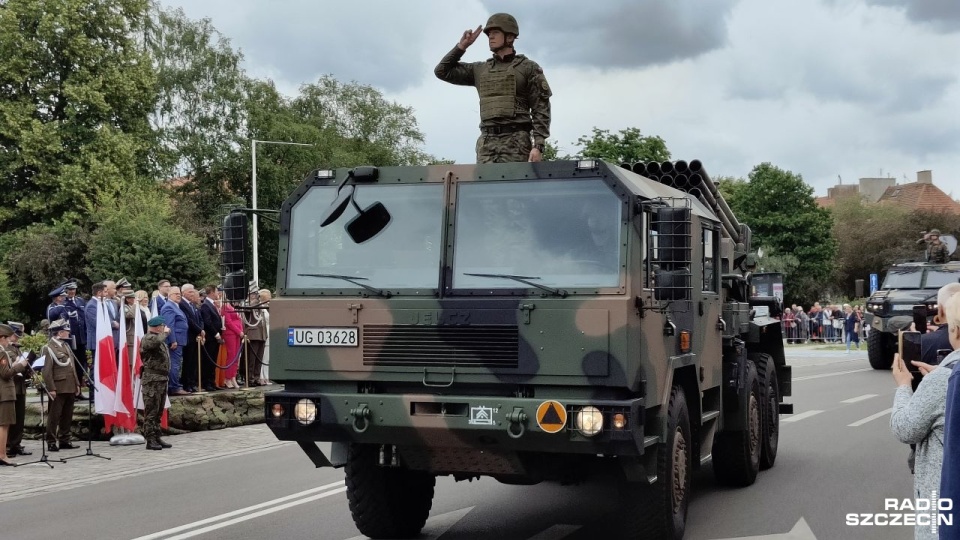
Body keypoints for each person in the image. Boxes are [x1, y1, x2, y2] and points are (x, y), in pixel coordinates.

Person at [434, 13, 552, 164]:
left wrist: (538, 146)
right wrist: (462, 46)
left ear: (510, 37)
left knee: (515, 186)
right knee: (485, 187)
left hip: (517, 142)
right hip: (486, 143)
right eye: (489, 34)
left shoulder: (528, 68)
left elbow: (541, 108)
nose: (490, 37)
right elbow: (442, 71)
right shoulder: (480, 69)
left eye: (495, 32)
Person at [891, 296, 960, 539]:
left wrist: (903, 387)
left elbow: (905, 428)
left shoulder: (944, 380)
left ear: (956, 330)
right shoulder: (947, 377)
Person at [41, 319, 82, 452]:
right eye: (66, 331)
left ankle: (65, 439)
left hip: (69, 385)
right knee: (54, 416)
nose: (68, 332)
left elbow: (72, 367)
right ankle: (51, 441)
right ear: (60, 332)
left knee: (67, 415)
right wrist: (51, 388)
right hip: (58, 387)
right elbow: (46, 371)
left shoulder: (66, 346)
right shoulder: (48, 348)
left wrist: (77, 384)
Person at [1, 323, 31, 465]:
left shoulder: (8, 350)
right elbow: (6, 373)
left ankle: (6, 450)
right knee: (4, 424)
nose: (9, 341)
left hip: (10, 389)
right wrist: (20, 365)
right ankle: (2, 454)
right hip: (5, 391)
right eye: (7, 338)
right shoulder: (2, 352)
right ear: (2, 338)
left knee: (9, 422)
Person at [140, 316, 172, 450]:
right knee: (151, 410)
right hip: (152, 380)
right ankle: (150, 439)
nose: (163, 328)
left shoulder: (158, 338)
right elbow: (154, 343)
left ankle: (157, 435)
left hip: (161, 379)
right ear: (158, 327)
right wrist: (164, 333)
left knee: (158, 411)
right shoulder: (148, 338)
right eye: (162, 326)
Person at [160, 286, 189, 396]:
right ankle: (174, 387)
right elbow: (169, 324)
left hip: (180, 339)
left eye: (179, 293)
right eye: (175, 293)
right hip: (175, 340)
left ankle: (175, 385)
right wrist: (173, 340)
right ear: (169, 295)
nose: (178, 295)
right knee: (174, 364)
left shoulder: (176, 306)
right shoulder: (168, 307)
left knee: (177, 363)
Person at [179, 284, 204, 393]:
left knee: (194, 361)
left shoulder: (193, 305)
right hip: (189, 336)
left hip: (196, 336)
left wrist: (201, 330)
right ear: (183, 292)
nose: (192, 294)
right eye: (190, 292)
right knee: (188, 361)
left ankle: (192, 383)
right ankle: (186, 383)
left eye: (193, 292)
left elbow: (199, 319)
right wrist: (199, 330)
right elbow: (189, 320)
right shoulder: (182, 304)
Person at [200, 284, 223, 392]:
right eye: (217, 291)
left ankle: (212, 381)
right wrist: (216, 334)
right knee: (208, 361)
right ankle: (207, 382)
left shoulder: (213, 304)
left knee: (213, 361)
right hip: (210, 338)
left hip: (215, 338)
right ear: (212, 292)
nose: (218, 294)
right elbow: (208, 322)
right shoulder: (206, 305)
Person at [243, 283, 267, 386]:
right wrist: (254, 302)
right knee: (251, 359)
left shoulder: (259, 304)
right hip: (253, 334)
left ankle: (256, 377)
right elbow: (247, 310)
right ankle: (250, 378)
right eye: (254, 293)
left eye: (256, 293)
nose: (256, 295)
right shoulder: (246, 303)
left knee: (259, 358)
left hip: (261, 334)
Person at [222, 298, 243, 389]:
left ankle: (233, 376)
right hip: (230, 334)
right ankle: (227, 377)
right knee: (231, 356)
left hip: (237, 334)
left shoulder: (233, 307)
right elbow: (228, 322)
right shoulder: (225, 307)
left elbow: (239, 320)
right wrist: (239, 331)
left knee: (236, 357)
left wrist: (241, 331)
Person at [259, 289, 273, 385]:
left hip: (269, 332)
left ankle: (266, 376)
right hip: (264, 331)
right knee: (262, 356)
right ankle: (261, 376)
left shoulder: (268, 308)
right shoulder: (261, 308)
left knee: (267, 357)